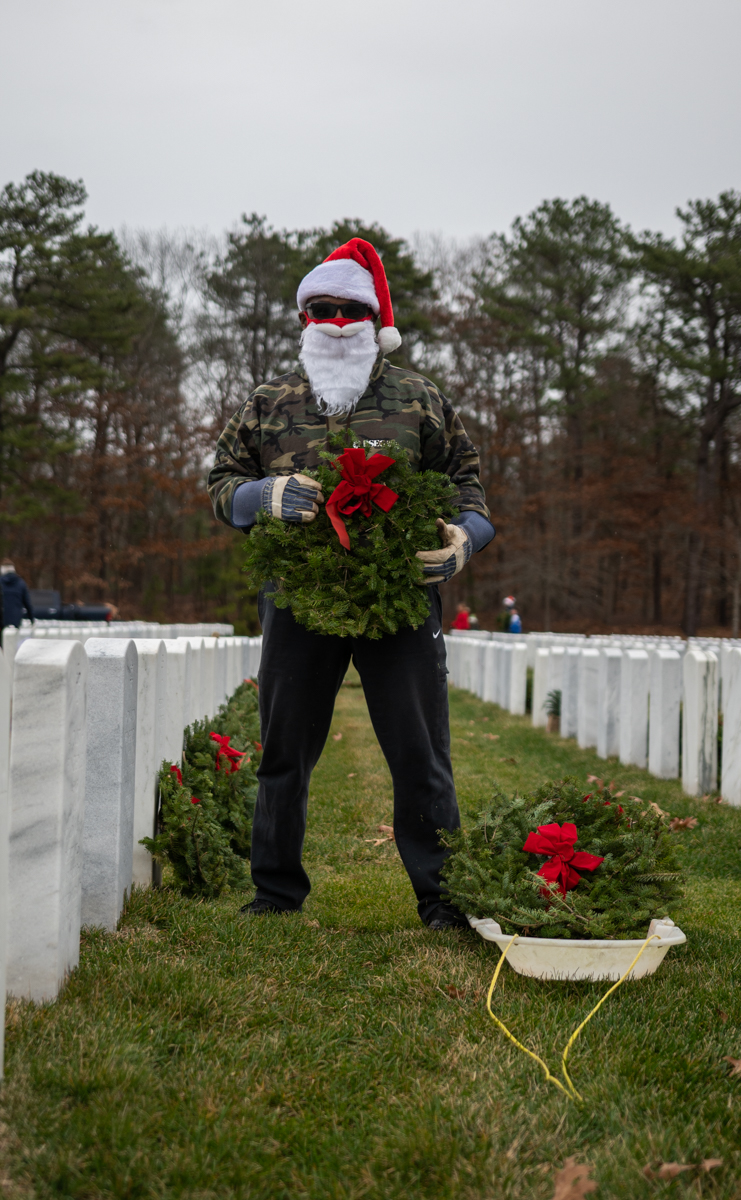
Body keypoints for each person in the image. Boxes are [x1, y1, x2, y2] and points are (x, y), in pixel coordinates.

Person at [207, 237, 495, 930]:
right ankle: (275, 893)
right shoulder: (271, 402)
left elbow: (470, 489)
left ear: (373, 322)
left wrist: (461, 541)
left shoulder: (420, 398)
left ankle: (441, 898)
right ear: (305, 318)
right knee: (285, 747)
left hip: (398, 597)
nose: (336, 322)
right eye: (322, 310)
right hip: (297, 594)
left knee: (419, 748)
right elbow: (221, 483)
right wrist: (263, 497)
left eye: (349, 310)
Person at [0, 560, 35, 628]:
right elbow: (27, 603)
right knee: (14, 637)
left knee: (0, 637)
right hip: (16, 619)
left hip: (0, 619)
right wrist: (32, 619)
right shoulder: (21, 583)